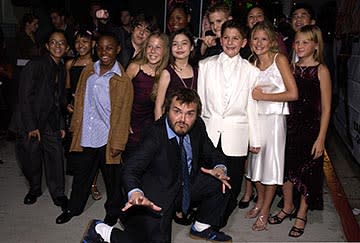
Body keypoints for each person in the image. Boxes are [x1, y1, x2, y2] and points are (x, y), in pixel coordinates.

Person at [81, 87, 233, 243]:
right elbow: (130, 169)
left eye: (190, 114)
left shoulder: (197, 126)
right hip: (154, 196)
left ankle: (201, 227)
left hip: (184, 185)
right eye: (177, 111)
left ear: (196, 115)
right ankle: (100, 230)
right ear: (167, 110)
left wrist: (219, 168)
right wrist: (135, 192)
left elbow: (212, 152)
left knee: (221, 183)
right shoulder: (154, 134)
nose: (182, 119)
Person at [55, 33, 134, 225]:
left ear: (117, 49)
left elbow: (124, 115)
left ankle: (112, 211)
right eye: (100, 47)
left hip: (109, 138)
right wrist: (75, 125)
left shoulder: (122, 80)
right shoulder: (89, 70)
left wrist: (118, 143)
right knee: (81, 176)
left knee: (112, 181)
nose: (104, 52)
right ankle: (73, 208)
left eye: (109, 48)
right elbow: (80, 99)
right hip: (88, 134)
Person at [268, 25, 331, 238]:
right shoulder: (292, 68)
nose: (300, 46)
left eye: (305, 42)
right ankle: (288, 206)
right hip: (290, 127)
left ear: (315, 45)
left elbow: (327, 108)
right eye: (297, 42)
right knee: (286, 170)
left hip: (311, 131)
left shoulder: (321, 71)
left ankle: (302, 214)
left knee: (308, 174)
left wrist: (321, 138)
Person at [197, 19, 261, 220]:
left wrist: (255, 139)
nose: (230, 42)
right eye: (226, 38)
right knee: (207, 178)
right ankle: (205, 215)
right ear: (220, 39)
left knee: (232, 180)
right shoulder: (205, 65)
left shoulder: (252, 71)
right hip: (209, 131)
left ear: (244, 42)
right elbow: (200, 102)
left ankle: (221, 216)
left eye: (235, 38)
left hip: (237, 135)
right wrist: (196, 134)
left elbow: (252, 106)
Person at [244, 21, 298, 231]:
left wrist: (263, 96)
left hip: (274, 120)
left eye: (263, 38)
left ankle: (265, 211)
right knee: (255, 166)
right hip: (255, 119)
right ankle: (259, 202)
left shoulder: (280, 60)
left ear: (272, 41)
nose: (259, 43)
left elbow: (293, 94)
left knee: (271, 167)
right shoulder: (251, 62)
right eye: (255, 38)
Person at [9, 29, 70, 210]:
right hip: (30, 121)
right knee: (31, 159)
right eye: (53, 42)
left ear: (66, 48)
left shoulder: (61, 68)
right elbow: (24, 97)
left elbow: (58, 99)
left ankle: (58, 194)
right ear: (46, 46)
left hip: (49, 121)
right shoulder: (35, 65)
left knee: (56, 156)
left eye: (61, 43)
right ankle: (34, 189)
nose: (57, 46)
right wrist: (31, 126)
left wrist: (60, 125)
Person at [64, 29, 102, 200]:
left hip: (92, 114)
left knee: (91, 150)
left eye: (85, 41)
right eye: (78, 41)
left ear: (93, 44)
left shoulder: (97, 64)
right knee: (76, 151)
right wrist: (67, 104)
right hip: (74, 114)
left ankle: (92, 184)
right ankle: (79, 183)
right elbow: (66, 89)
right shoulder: (70, 64)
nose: (81, 45)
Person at [125, 32, 169, 155]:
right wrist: (125, 121)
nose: (153, 51)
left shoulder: (166, 73)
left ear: (165, 51)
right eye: (150, 46)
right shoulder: (134, 67)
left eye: (158, 47)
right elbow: (121, 97)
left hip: (151, 128)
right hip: (131, 126)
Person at [155, 28, 197, 120]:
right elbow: (159, 106)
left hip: (192, 122)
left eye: (184, 43)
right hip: (172, 123)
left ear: (192, 47)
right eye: (175, 44)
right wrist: (160, 131)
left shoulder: (198, 71)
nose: (179, 47)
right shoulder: (167, 73)